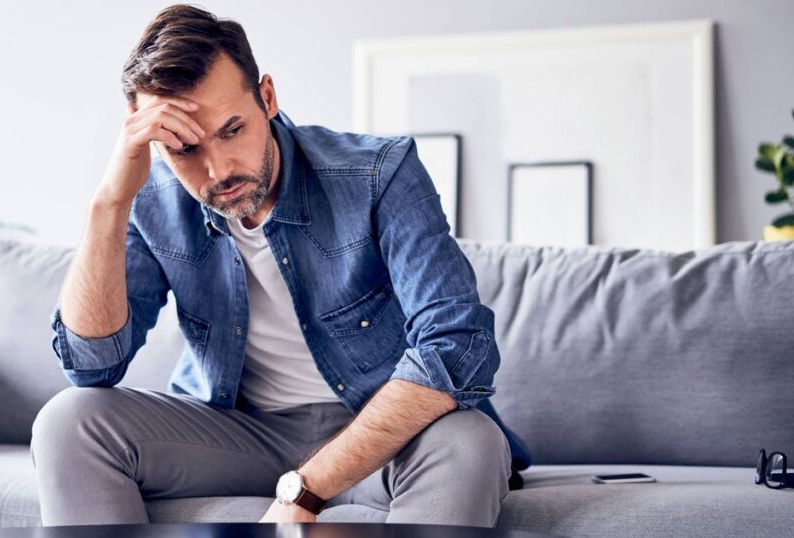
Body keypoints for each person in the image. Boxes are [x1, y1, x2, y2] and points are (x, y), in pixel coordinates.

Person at [30, 3, 531, 528]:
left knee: (470, 439)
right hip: (235, 434)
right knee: (69, 420)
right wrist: (109, 202)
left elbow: (456, 347)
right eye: (185, 150)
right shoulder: (149, 201)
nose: (218, 170)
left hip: (380, 434)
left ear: (267, 97)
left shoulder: (377, 173)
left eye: (231, 131)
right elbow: (91, 367)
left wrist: (307, 487)